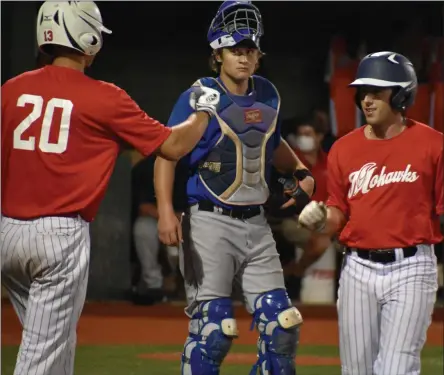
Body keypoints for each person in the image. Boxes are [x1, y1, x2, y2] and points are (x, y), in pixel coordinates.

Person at [0, 2, 220, 375]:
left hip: (6, 233)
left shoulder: (11, 89)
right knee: (41, 353)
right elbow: (173, 147)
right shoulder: (104, 96)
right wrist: (204, 112)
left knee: (58, 341)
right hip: (58, 237)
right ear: (87, 38)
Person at [154, 2, 315, 374]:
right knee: (214, 330)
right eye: (235, 51)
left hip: (257, 225)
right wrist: (165, 210)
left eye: (249, 51)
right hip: (209, 223)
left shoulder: (268, 94)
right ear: (218, 54)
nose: (243, 58)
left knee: (282, 327)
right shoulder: (200, 95)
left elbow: (270, 144)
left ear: (258, 55)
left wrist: (302, 170)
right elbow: (167, 155)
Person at [299, 51, 443, 375]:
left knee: (395, 368)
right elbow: (339, 212)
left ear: (402, 94)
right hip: (357, 270)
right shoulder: (344, 148)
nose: (367, 100)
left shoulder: (434, 146)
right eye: (363, 92)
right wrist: (322, 218)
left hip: (411, 268)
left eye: (377, 92)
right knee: (356, 371)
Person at [284, 117, 337, 304]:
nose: (303, 138)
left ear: (320, 137)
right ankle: (296, 273)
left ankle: (295, 271)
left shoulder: (331, 163)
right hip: (293, 220)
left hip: (328, 221)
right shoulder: (289, 162)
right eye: (300, 135)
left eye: (308, 134)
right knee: (321, 242)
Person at [131, 153, 185, 304]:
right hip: (158, 219)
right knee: (143, 228)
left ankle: (195, 287)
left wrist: (179, 218)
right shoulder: (145, 167)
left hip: (189, 220)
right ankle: (153, 285)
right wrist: (168, 218)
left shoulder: (192, 163)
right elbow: (143, 207)